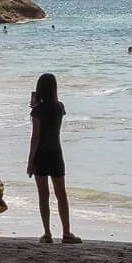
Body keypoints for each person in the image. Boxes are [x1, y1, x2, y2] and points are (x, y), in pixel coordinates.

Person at [26, 73, 79, 244]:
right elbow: (53, 127)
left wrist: (30, 160)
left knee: (43, 195)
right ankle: (66, 232)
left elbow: (35, 137)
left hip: (41, 154)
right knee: (61, 194)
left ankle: (47, 233)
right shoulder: (60, 107)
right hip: (56, 152)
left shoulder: (37, 111)